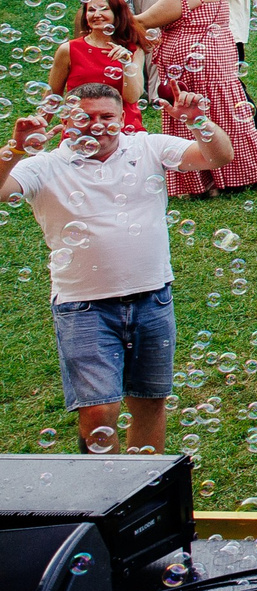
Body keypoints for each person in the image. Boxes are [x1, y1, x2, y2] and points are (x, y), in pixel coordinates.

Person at [0, 85, 232, 454]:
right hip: (83, 306)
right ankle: (99, 501)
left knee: (149, 403)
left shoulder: (146, 147)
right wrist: (14, 148)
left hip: (152, 298)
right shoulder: (42, 166)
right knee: (99, 410)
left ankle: (144, 501)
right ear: (66, 120)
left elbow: (218, 157)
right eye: (85, 116)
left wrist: (198, 121)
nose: (96, 125)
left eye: (106, 116)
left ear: (122, 119)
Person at [126, 0, 257, 194]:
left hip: (191, 66)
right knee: (225, 115)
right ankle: (245, 172)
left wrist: (113, 14)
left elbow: (141, 21)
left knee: (192, 114)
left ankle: (204, 182)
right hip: (218, 61)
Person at [48, 0, 145, 130]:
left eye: (104, 9)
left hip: (122, 130)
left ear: (117, 14)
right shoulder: (68, 50)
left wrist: (126, 63)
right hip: (82, 129)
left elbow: (132, 97)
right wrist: (37, 126)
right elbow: (53, 95)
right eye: (91, 10)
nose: (97, 14)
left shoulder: (133, 49)